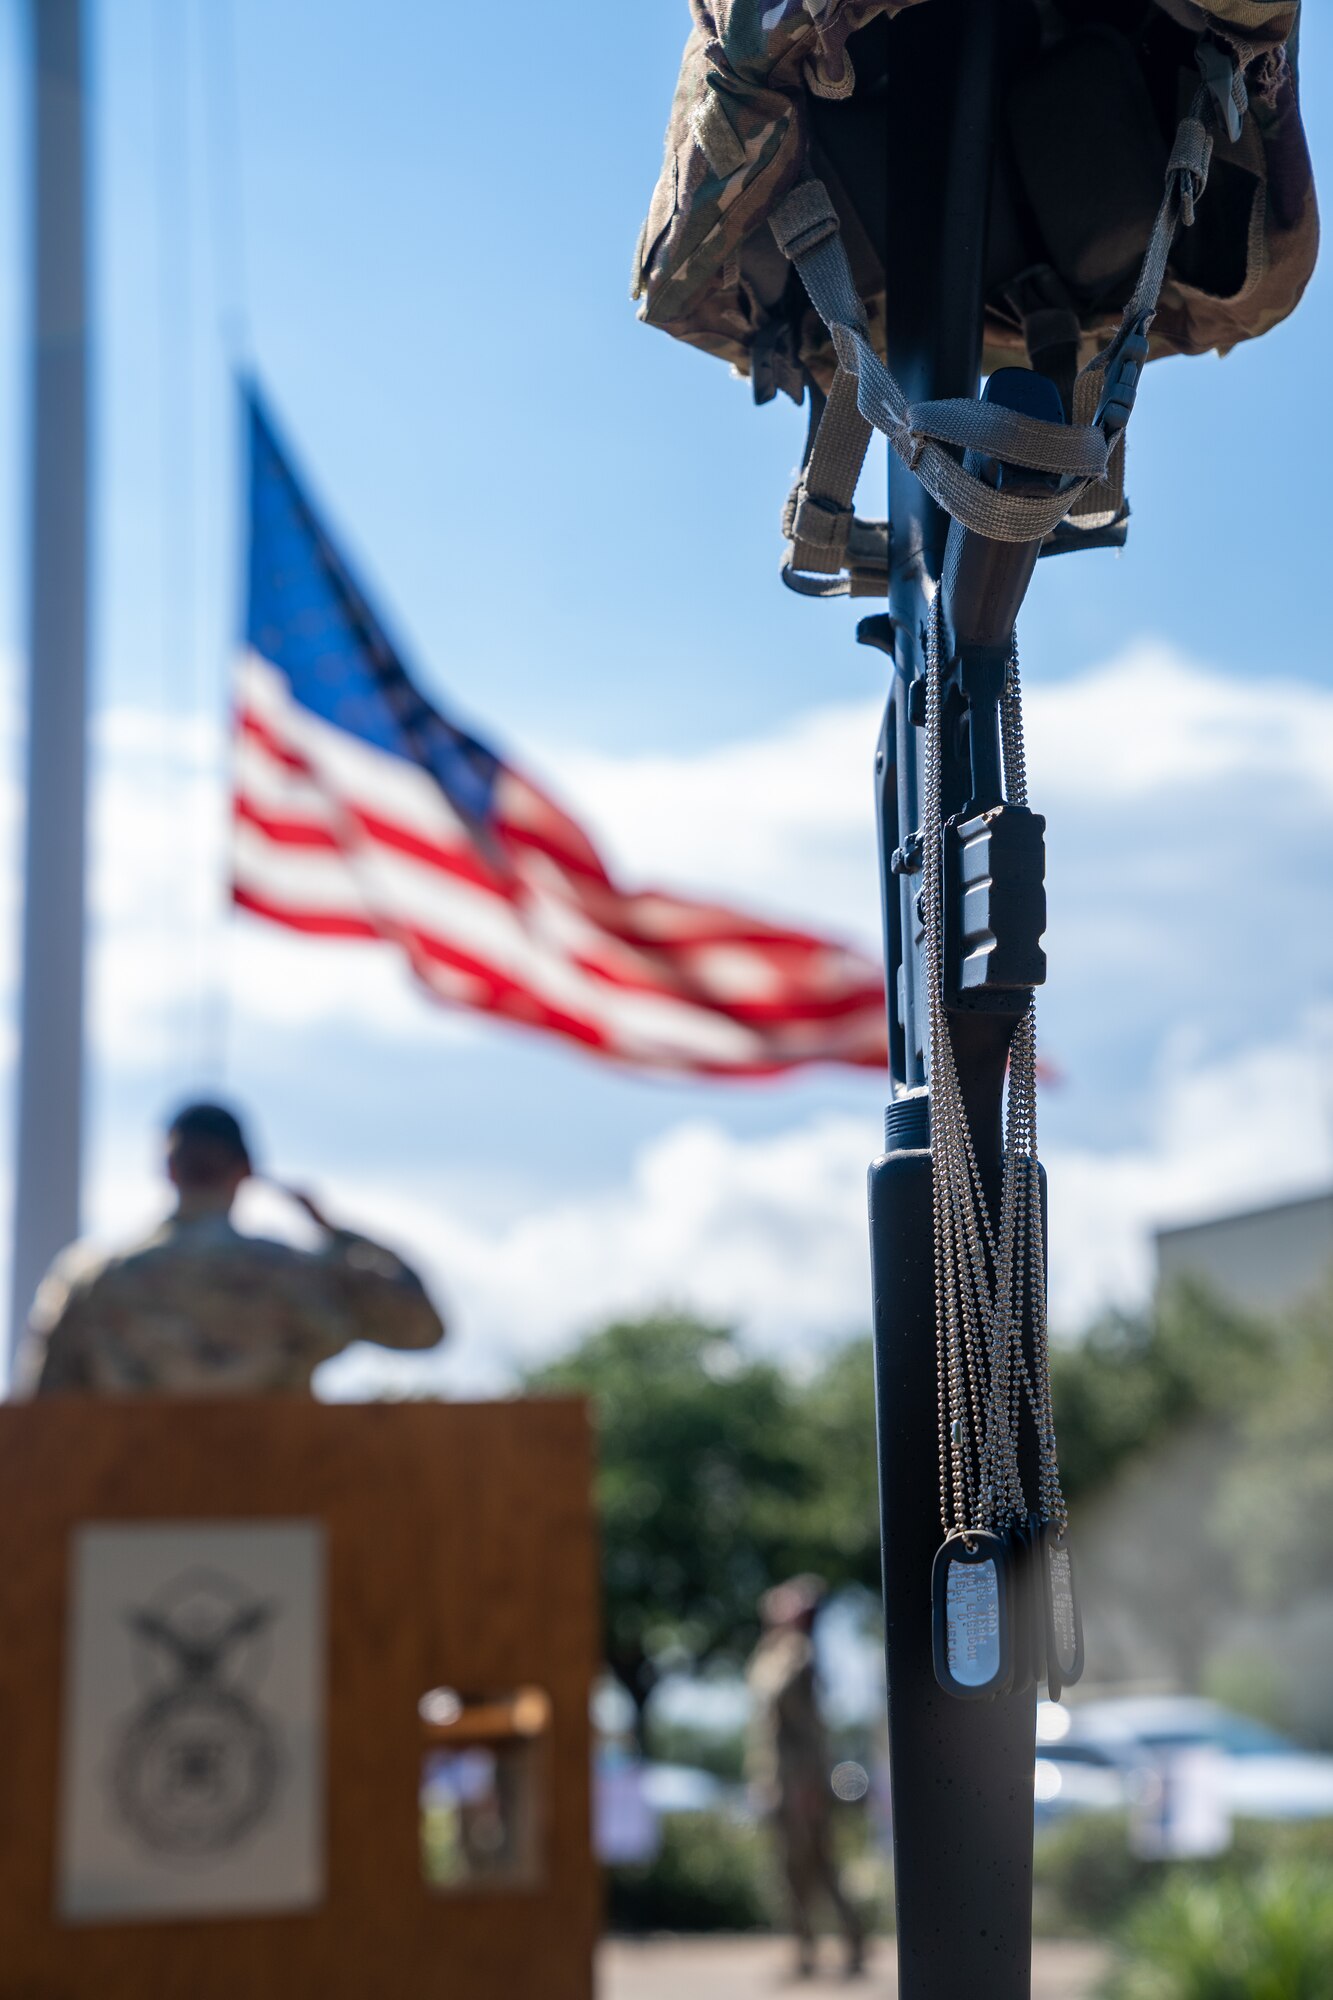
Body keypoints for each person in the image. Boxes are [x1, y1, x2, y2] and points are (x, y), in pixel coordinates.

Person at [12, 1101, 445, 1397]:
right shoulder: (299, 1275)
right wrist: (337, 1234)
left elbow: (39, 1412)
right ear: (246, 1172)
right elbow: (423, 1326)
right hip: (280, 1509)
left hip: (123, 1515)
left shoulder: (94, 1279)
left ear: (169, 1169)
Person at [746, 1574, 865, 1982]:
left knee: (818, 1867)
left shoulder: (799, 1656)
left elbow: (812, 1730)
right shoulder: (775, 1651)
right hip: (779, 1781)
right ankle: (807, 1951)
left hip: (801, 1783)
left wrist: (811, 1786)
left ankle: (848, 1945)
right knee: (791, 1870)